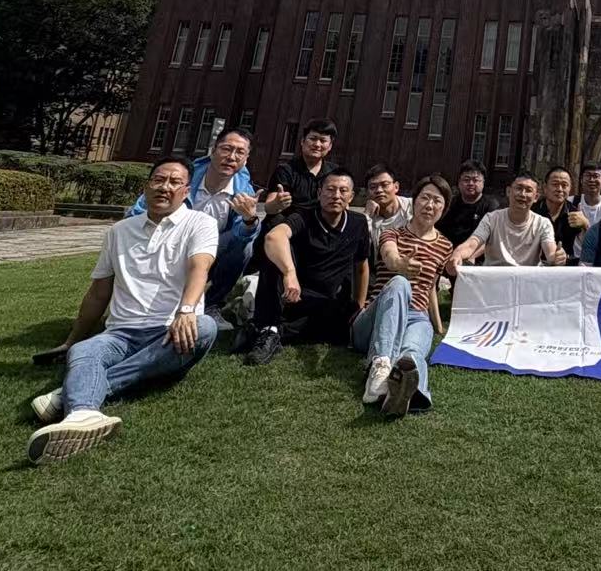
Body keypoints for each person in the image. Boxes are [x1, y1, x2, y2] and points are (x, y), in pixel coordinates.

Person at [27, 160, 218, 464]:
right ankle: (83, 415)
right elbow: (98, 292)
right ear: (146, 186)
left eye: (174, 182)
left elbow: (200, 267)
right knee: (85, 350)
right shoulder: (119, 231)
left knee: (205, 328)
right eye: (158, 180)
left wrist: (186, 310)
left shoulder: (200, 223)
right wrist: (72, 340)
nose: (164, 187)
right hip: (121, 334)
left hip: (170, 331)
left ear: (186, 191)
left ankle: (70, 395)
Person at [243, 170, 371, 366]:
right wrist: (289, 273)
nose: (336, 196)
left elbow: (361, 267)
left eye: (343, 191)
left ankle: (268, 330)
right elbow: (274, 237)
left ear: (351, 197)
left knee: (333, 332)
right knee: (274, 256)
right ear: (319, 193)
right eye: (330, 190)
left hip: (328, 301)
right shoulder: (304, 216)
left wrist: (359, 308)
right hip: (294, 295)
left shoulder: (358, 223)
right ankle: (268, 328)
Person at [127, 127, 261, 311]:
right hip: (169, 240)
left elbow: (242, 235)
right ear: (213, 149)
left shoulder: (244, 192)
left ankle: (212, 304)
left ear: (246, 159)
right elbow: (138, 211)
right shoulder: (183, 177)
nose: (231, 157)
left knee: (244, 247)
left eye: (240, 152)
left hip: (210, 248)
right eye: (226, 149)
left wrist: (249, 220)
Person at [354, 174, 455, 416]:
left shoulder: (445, 246)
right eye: (425, 198)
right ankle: (380, 365)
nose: (430, 205)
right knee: (400, 283)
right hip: (378, 315)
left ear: (444, 209)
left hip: (417, 316)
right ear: (414, 201)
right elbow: (390, 256)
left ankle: (409, 393)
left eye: (437, 201)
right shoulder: (392, 233)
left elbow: (430, 287)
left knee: (412, 353)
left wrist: (438, 327)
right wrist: (400, 264)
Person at [446, 173, 566, 270]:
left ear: (536, 197)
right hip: (494, 280)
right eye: (519, 188)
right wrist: (458, 254)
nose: (523, 194)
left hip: (528, 281)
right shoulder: (492, 218)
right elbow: (472, 243)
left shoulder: (543, 223)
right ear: (508, 191)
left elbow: (550, 251)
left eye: (528, 190)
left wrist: (557, 257)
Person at [260, 119, 341, 221]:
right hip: (287, 223)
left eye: (323, 141)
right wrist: (277, 203)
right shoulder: (285, 170)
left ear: (330, 146)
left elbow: (342, 207)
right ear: (302, 141)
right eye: (313, 138)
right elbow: (269, 208)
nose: (317, 144)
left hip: (319, 225)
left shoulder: (335, 173)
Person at [438, 161, 499, 246]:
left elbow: (492, 239)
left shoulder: (491, 206)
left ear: (483, 182)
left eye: (475, 180)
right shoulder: (450, 203)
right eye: (466, 180)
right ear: (459, 182)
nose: (470, 183)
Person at [536, 166, 586, 263]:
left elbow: (591, 246)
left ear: (570, 189)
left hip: (564, 266)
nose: (559, 189)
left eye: (564, 185)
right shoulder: (534, 210)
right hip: (535, 266)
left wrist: (586, 225)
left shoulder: (574, 213)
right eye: (555, 184)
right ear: (545, 188)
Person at [363, 163, 412, 244]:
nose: (379, 190)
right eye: (373, 187)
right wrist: (366, 215)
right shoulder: (369, 217)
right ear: (367, 192)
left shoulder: (412, 207)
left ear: (396, 187)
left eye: (384, 185)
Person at [573, 161, 601, 229]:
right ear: (581, 179)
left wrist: (585, 224)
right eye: (588, 175)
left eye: (596, 176)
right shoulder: (570, 202)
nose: (591, 180)